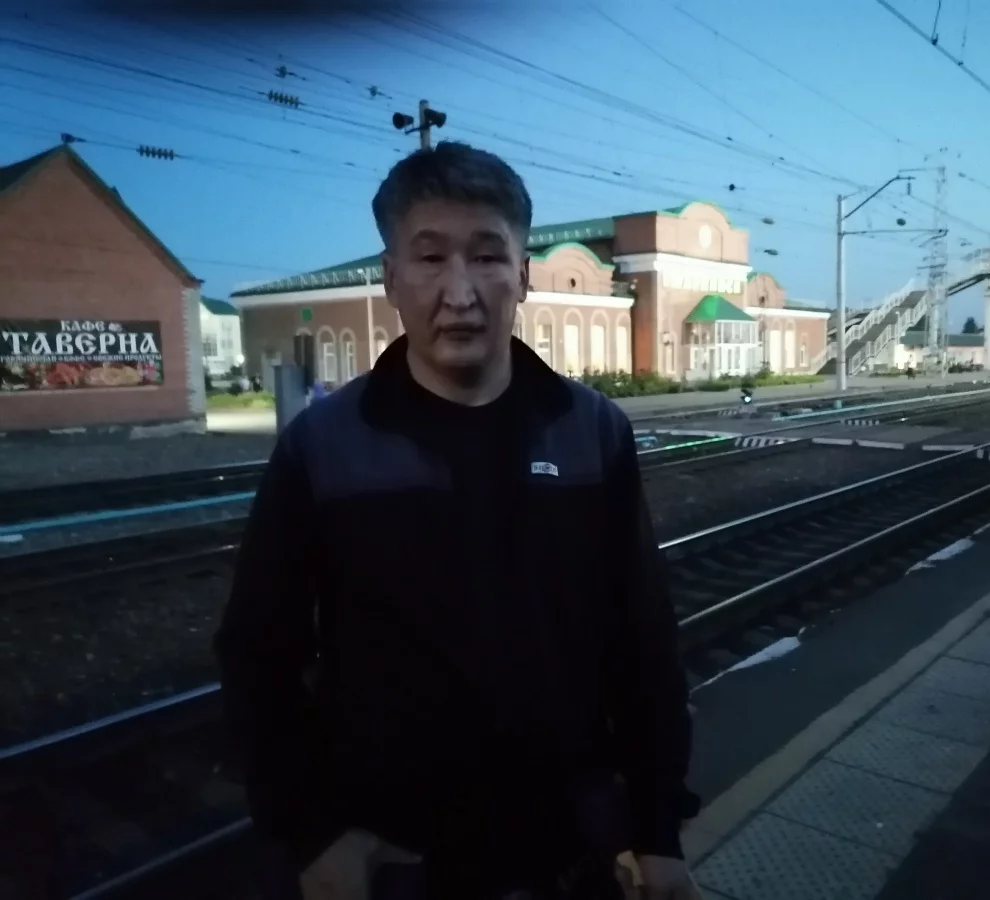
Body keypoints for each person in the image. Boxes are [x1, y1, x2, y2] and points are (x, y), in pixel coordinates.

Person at [214, 141, 700, 900]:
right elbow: (257, 653)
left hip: (569, 855)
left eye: (487, 256)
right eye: (431, 257)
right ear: (391, 278)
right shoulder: (324, 446)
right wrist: (313, 836)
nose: (461, 292)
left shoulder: (593, 433)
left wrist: (657, 829)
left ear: (524, 275)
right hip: (396, 863)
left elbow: (643, 642)